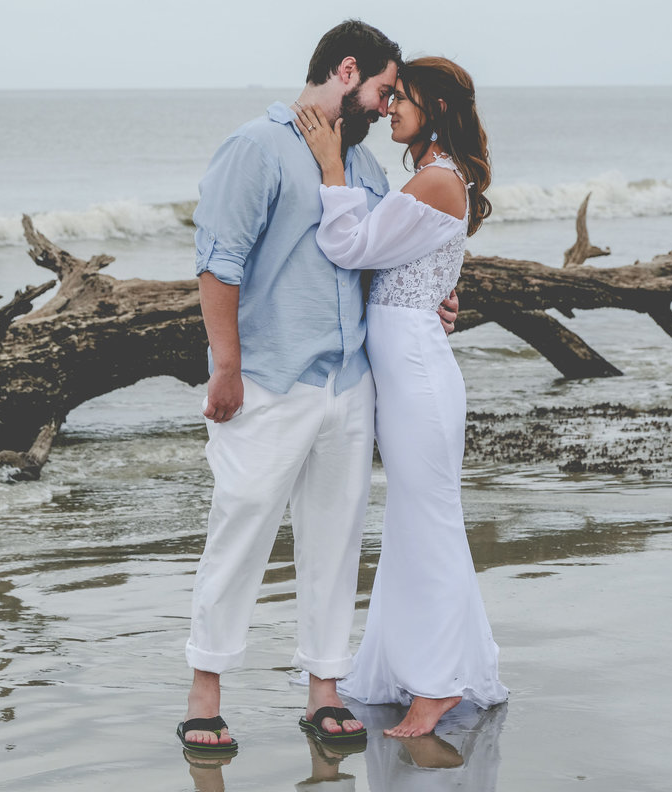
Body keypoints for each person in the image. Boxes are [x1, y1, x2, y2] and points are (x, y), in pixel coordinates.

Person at [179, 21, 460, 755]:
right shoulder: (255, 147)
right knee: (239, 529)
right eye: (383, 89)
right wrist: (227, 366)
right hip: (269, 379)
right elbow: (218, 264)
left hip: (350, 381)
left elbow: (376, 258)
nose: (386, 104)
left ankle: (324, 691)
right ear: (346, 71)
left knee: (335, 541)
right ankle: (205, 694)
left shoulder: (360, 167)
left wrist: (434, 298)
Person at [292, 56, 508, 737]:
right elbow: (404, 266)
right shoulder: (433, 177)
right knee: (417, 519)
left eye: (402, 100)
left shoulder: (439, 180)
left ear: (435, 109)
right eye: (391, 98)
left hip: (416, 369)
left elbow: (353, 245)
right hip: (407, 359)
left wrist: (330, 168)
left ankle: (439, 685)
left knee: (429, 520)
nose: (390, 109)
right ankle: (415, 667)